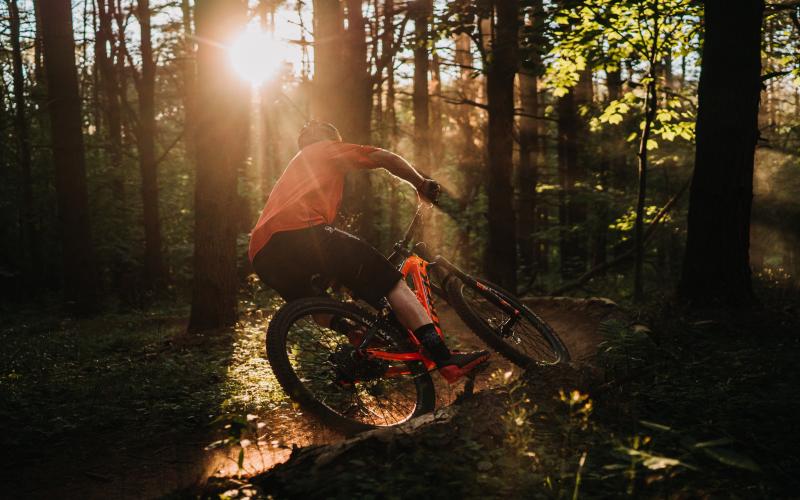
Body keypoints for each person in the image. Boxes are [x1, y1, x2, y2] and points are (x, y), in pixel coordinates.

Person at [249, 121, 489, 383]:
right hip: (298, 230)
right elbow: (383, 157)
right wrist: (420, 183)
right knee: (392, 283)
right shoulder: (323, 149)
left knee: (312, 301)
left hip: (262, 253)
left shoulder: (296, 172)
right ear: (330, 139)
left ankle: (355, 334)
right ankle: (446, 360)